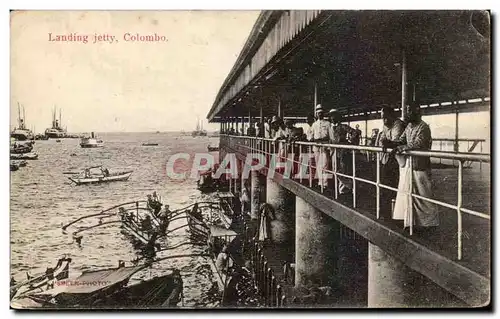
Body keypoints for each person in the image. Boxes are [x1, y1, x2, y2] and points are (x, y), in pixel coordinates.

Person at [392, 103, 439, 230]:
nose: (407, 114)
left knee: (424, 195)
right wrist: (391, 143)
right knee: (410, 192)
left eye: (410, 112)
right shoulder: (409, 127)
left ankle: (430, 223)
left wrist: (400, 147)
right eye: (407, 112)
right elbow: (402, 140)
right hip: (411, 164)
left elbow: (417, 143)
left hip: (421, 166)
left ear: (418, 112)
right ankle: (412, 221)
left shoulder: (423, 127)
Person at [378, 106, 406, 219]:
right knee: (385, 184)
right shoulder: (386, 125)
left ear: (391, 116)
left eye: (385, 118)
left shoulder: (398, 124)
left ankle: (395, 214)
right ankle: (386, 212)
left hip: (399, 160)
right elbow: (382, 140)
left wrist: (387, 143)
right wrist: (386, 143)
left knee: (395, 186)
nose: (384, 121)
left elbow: (395, 142)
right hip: (390, 159)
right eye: (382, 118)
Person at [329, 109, 357, 195]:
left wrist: (349, 142)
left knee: (343, 170)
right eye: (331, 116)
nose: (332, 118)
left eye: (334, 116)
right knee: (335, 170)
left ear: (338, 117)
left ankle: (344, 190)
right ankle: (347, 186)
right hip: (333, 151)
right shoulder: (329, 127)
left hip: (342, 151)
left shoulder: (343, 126)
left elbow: (355, 133)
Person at [310, 105, 334, 188]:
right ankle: (321, 182)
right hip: (316, 147)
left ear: (323, 114)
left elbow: (331, 136)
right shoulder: (314, 124)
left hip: (324, 146)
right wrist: (311, 139)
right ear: (316, 114)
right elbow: (311, 135)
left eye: (321, 113)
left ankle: (325, 183)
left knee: (324, 164)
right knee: (318, 165)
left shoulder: (328, 123)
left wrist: (329, 145)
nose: (320, 115)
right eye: (318, 113)